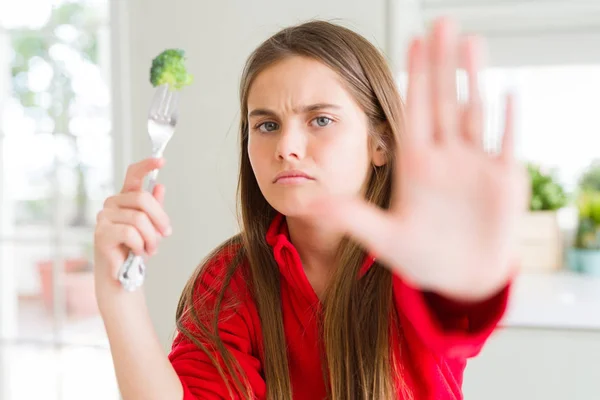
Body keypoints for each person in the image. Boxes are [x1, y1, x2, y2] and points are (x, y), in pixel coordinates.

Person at [94, 16, 528, 400]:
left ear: (381, 143)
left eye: (320, 120)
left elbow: (458, 322)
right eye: (266, 125)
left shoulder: (414, 261)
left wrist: (461, 286)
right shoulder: (229, 279)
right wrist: (118, 295)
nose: (286, 148)